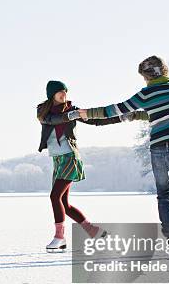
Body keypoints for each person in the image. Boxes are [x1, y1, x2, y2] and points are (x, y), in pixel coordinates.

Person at [78, 56, 169, 247]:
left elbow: (117, 109)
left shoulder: (145, 95)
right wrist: (136, 116)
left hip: (158, 150)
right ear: (164, 71)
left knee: (164, 194)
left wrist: (88, 113)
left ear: (147, 77)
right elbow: (164, 112)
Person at [37, 80, 147, 251]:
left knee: (54, 196)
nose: (64, 95)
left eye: (65, 91)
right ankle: (95, 232)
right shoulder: (43, 111)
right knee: (64, 205)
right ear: (51, 94)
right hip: (57, 160)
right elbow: (51, 120)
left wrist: (122, 117)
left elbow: (97, 121)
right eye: (60, 92)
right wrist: (68, 117)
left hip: (70, 158)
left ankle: (59, 237)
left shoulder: (73, 110)